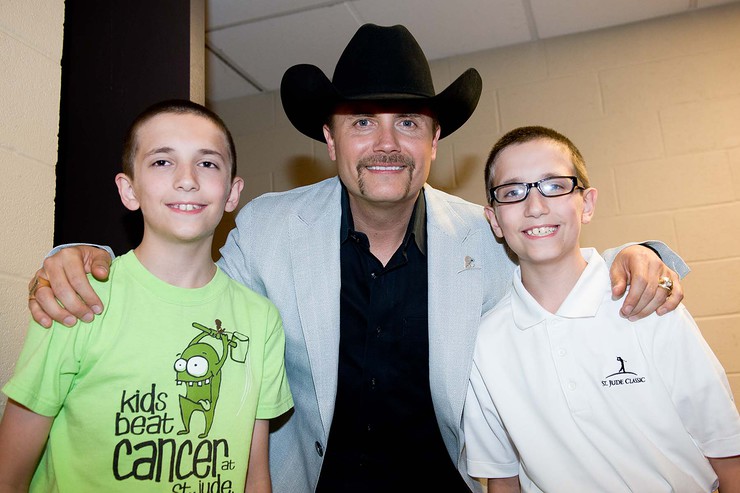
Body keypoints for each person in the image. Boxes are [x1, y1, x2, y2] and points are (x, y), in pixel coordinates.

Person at [24, 25, 688, 492]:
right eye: (362, 122)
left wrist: (643, 254)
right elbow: (186, 298)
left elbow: (562, 270)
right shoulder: (266, 227)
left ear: (434, 141)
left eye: (407, 122)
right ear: (329, 137)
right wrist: (79, 257)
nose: (386, 143)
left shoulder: (485, 233)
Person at [0, 100, 294, 492]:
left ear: (232, 192)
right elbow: (9, 474)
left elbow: (254, 474)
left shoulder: (260, 320)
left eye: (207, 163)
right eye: (162, 162)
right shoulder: (78, 297)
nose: (187, 179)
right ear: (129, 189)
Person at [463, 126, 740, 492]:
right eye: (513, 192)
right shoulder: (485, 343)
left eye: (554, 185)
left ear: (587, 204)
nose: (535, 207)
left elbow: (726, 452)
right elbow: (503, 479)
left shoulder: (648, 301)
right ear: (495, 220)